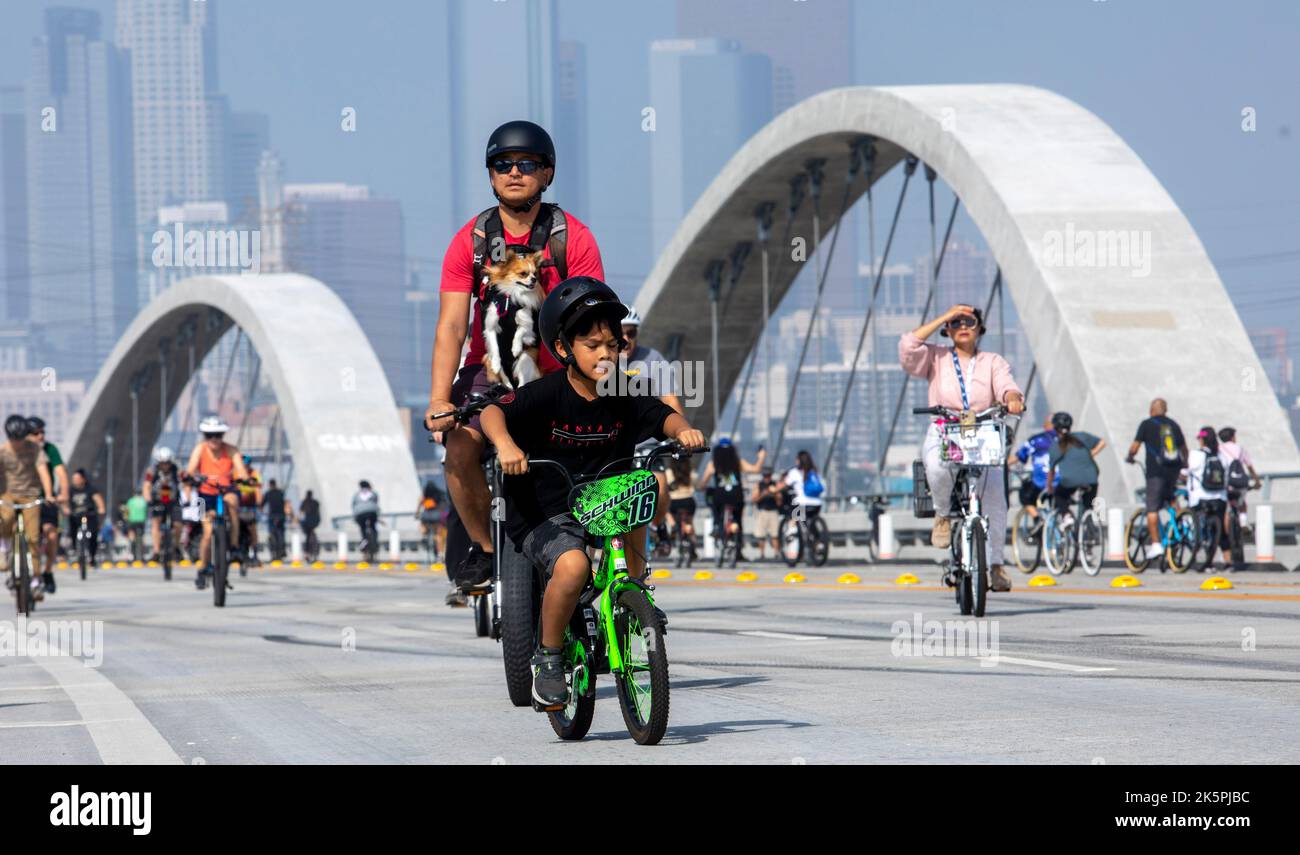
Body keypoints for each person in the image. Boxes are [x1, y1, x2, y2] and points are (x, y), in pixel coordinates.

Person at [478, 276, 706, 710]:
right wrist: (506, 445)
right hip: (543, 510)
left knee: (641, 488)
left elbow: (663, 417)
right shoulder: (546, 394)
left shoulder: (626, 394)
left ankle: (635, 591)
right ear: (564, 350)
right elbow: (493, 413)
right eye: (592, 345)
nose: (605, 354)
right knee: (573, 565)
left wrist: (685, 431)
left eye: (612, 344)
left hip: (601, 498)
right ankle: (548, 660)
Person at [425, 120, 606, 607]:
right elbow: (450, 327)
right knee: (459, 448)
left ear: (547, 173)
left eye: (527, 164)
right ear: (490, 175)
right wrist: (440, 399)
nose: (514, 172)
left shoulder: (573, 238)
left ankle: (603, 562)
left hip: (556, 373)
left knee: (597, 459)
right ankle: (485, 549)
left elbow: (592, 324)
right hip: (490, 374)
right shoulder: (472, 241)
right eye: (502, 164)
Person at [899, 304, 1026, 592]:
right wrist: (945, 314)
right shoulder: (936, 356)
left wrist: (1013, 396)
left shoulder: (992, 361)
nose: (963, 326)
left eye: (970, 321)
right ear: (948, 329)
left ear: (980, 328)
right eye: (956, 323)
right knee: (936, 466)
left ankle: (995, 565)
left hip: (982, 430)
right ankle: (943, 515)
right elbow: (908, 346)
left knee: (995, 494)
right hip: (946, 427)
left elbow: (1007, 385)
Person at [182, 414, 250, 589]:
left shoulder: (231, 449)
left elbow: (241, 469)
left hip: (226, 490)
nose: (214, 439)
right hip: (206, 494)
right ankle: (203, 566)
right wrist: (189, 478)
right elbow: (190, 469)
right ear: (205, 436)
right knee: (207, 533)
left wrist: (243, 477)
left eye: (218, 435)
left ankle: (234, 546)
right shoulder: (200, 449)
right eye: (209, 435)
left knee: (233, 503)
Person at [1125, 398, 1188, 564]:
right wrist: (1184, 465)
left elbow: (1135, 447)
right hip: (1173, 470)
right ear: (1165, 410)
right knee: (1172, 499)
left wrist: (1130, 457)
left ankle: (1156, 545)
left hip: (1155, 472)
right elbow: (1184, 448)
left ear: (1151, 410)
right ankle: (1181, 525)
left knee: (1152, 508)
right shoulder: (1174, 425)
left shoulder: (1146, 424)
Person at [0, 414, 54, 598]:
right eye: (15, 439)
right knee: (5, 519)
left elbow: (43, 471)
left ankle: (35, 580)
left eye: (21, 438)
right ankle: (4, 548)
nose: (18, 443)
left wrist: (49, 494)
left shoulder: (35, 449)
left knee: (32, 538)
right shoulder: (3, 451)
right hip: (8, 494)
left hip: (30, 495)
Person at [695, 438, 765, 562]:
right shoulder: (738, 463)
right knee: (738, 520)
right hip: (736, 497)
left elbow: (702, 484)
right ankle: (737, 547)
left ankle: (717, 524)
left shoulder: (713, 464)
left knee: (714, 503)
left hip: (720, 497)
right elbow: (756, 469)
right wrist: (761, 456)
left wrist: (700, 486)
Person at [25, 417, 68, 584]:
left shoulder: (50, 450)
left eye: (42, 432)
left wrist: (63, 494)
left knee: (51, 534)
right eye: (36, 433)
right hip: (24, 499)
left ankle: (48, 571)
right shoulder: (20, 450)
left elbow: (61, 473)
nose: (40, 436)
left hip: (45, 499)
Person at [1184, 427, 1232, 571]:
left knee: (1197, 526)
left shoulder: (1195, 455)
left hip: (1199, 497)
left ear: (1202, 439)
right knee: (1221, 531)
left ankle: (1200, 554)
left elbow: (1186, 471)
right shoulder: (1222, 456)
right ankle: (1228, 562)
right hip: (1220, 497)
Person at [1044, 412, 1105, 524]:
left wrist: (1049, 487)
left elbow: (1051, 471)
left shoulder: (1055, 446)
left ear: (1055, 428)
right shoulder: (1082, 436)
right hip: (1092, 479)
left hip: (1070, 481)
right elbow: (1102, 442)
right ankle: (1089, 530)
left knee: (1059, 495)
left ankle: (1067, 516)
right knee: (1088, 506)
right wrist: (1091, 453)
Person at [142, 446, 182, 563]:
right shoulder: (152, 471)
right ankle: (156, 551)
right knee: (156, 523)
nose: (165, 466)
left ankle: (176, 547)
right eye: (163, 463)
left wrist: (188, 498)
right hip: (158, 500)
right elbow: (146, 486)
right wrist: (148, 499)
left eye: (167, 463)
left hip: (173, 500)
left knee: (178, 524)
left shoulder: (176, 469)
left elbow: (184, 484)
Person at [1217, 427, 1261, 534]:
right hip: (1240, 482)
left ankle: (1227, 535)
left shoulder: (1218, 449)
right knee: (1242, 503)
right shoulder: (1240, 448)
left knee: (1227, 509)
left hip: (1226, 483)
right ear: (1232, 437)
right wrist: (1257, 482)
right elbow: (1249, 467)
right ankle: (1243, 523)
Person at [1013, 415, 1058, 519]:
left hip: (1042, 482)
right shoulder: (1066, 440)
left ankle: (1037, 520)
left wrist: (1003, 464)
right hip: (1062, 482)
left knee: (1025, 496)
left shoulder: (1037, 440)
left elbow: (1019, 456)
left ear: (1047, 425)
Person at [66, 469, 106, 566]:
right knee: (72, 531)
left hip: (89, 515)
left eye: (77, 478)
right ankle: (75, 550)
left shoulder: (90, 489)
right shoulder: (70, 490)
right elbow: (65, 501)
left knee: (93, 534)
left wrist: (101, 509)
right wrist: (66, 509)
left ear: (83, 479)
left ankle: (92, 556)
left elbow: (98, 500)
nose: (75, 480)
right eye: (73, 478)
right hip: (75, 515)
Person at [665, 456, 699, 561]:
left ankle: (673, 525)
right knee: (689, 522)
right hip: (689, 502)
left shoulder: (668, 472)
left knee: (664, 510)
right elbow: (696, 484)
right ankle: (693, 546)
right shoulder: (690, 472)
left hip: (674, 502)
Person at [783, 450, 825, 526]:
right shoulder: (814, 472)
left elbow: (785, 484)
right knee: (811, 524)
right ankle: (816, 536)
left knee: (794, 520)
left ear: (799, 461)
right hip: (817, 504)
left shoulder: (794, 472)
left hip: (802, 504)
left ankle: (792, 534)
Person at [235, 455, 262, 566]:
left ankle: (255, 553)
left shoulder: (254, 474)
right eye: (243, 466)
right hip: (238, 506)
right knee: (235, 527)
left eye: (247, 466)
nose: (245, 468)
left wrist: (259, 503)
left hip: (250, 506)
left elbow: (258, 489)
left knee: (253, 529)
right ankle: (235, 550)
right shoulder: (235, 474)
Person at [415, 480, 444, 560]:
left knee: (422, 525)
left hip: (426, 515)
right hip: (436, 516)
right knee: (438, 536)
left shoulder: (424, 495)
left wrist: (416, 514)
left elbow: (419, 505)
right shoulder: (438, 495)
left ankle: (424, 535)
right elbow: (443, 506)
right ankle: (440, 554)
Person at [261, 479, 288, 560]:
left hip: (272, 516)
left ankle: (273, 551)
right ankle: (282, 550)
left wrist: (261, 510)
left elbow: (262, 504)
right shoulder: (281, 493)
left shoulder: (268, 493)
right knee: (282, 533)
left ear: (270, 485)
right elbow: (284, 502)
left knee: (271, 533)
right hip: (281, 516)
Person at [352, 481, 380, 556]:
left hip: (360, 513)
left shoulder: (357, 494)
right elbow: (375, 502)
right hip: (372, 512)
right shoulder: (373, 493)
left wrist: (354, 517)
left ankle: (364, 540)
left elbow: (354, 505)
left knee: (363, 529)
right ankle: (375, 542)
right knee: (373, 527)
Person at [179, 479, 205, 560]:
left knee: (198, 536)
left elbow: (202, 505)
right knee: (185, 536)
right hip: (186, 518)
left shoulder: (197, 493)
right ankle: (183, 552)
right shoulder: (181, 493)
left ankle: (198, 554)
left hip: (196, 519)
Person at [125, 492, 149, 560]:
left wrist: (126, 519)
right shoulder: (143, 501)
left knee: (132, 535)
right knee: (141, 537)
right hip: (141, 520)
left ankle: (132, 552)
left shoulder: (131, 501)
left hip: (132, 520)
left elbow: (127, 510)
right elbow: (146, 511)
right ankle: (142, 555)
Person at [299, 490, 321, 560]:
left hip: (307, 523)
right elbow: (318, 512)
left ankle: (306, 552)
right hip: (315, 522)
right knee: (312, 535)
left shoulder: (304, 502)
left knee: (307, 537)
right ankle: (315, 550)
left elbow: (301, 512)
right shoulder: (316, 502)